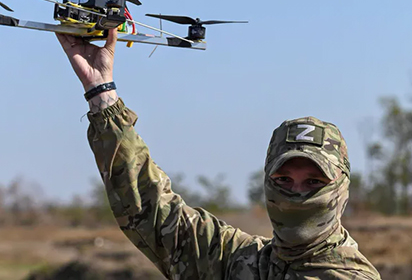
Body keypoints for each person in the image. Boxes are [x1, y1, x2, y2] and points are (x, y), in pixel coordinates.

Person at [56, 29, 381, 280]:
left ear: (340, 190)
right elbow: (152, 211)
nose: (295, 193)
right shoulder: (243, 262)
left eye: (313, 182)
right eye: (283, 179)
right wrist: (102, 92)